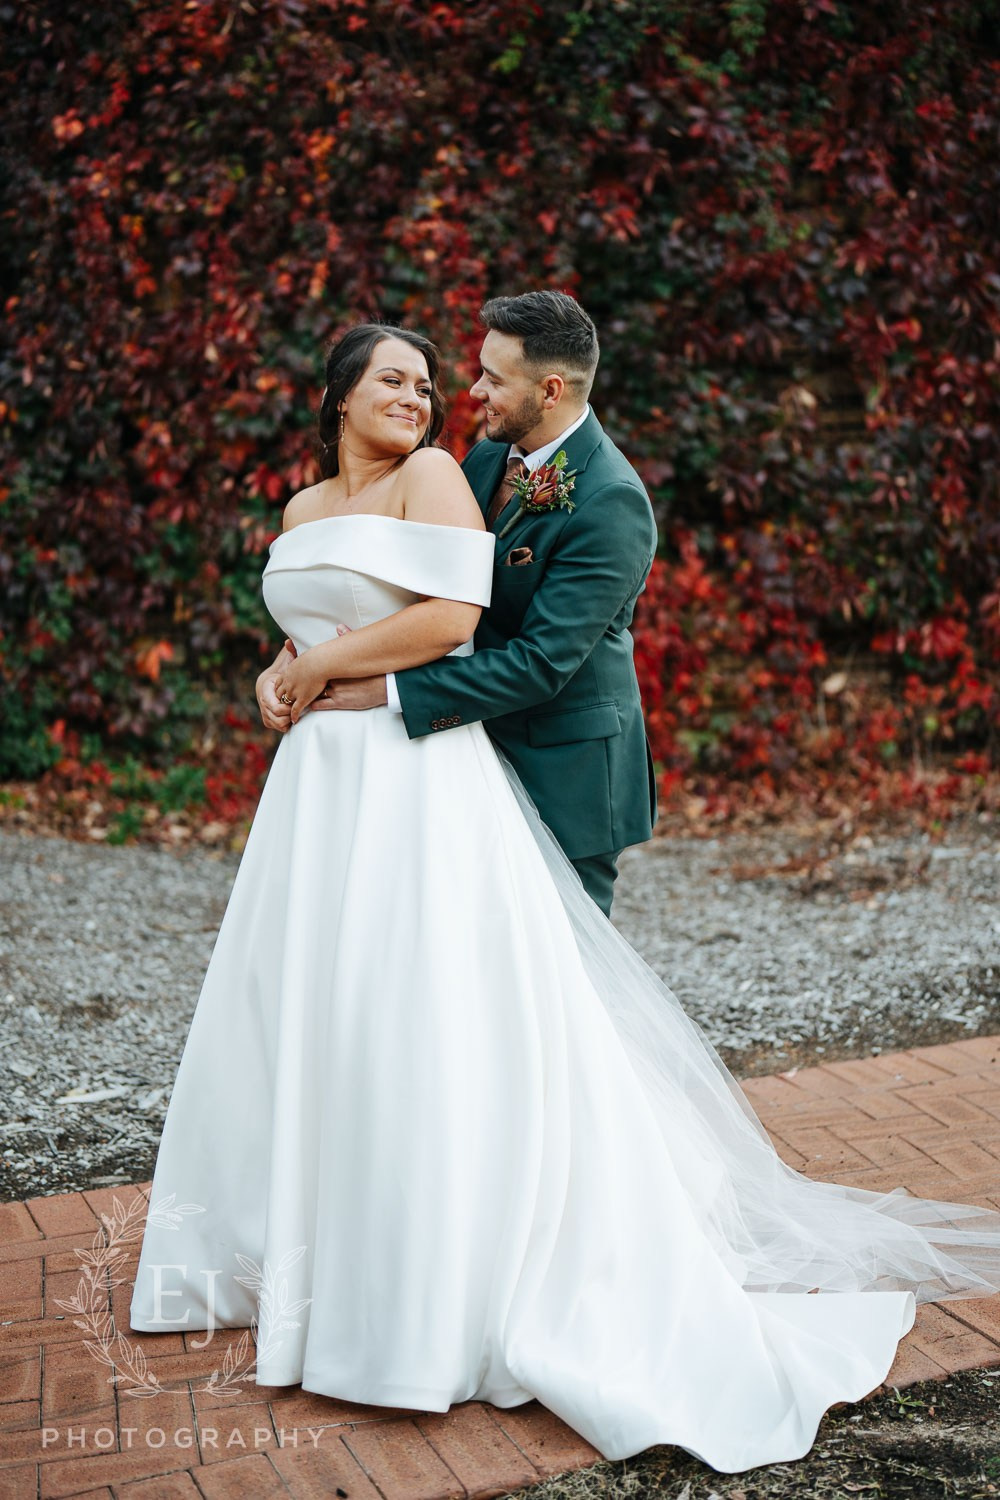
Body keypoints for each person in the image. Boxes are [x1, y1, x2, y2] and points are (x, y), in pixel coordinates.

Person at [129, 317, 1000, 1476]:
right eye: (422, 378)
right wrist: (285, 670)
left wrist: (352, 690)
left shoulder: (608, 501)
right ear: (338, 396)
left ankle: (577, 1233)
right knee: (348, 1014)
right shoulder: (475, 464)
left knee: (545, 1023)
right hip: (363, 780)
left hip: (541, 766)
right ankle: (342, 1248)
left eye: (471, 380)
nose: (454, 396)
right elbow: (355, 609)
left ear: (545, 388)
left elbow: (517, 651)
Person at [255, 291, 659, 916]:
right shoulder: (490, 457)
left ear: (549, 391)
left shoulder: (611, 500)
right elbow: (409, 582)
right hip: (458, 750)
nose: (471, 392)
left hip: (559, 764)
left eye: (494, 379)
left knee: (562, 979)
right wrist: (293, 659)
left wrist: (385, 690)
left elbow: (539, 663)